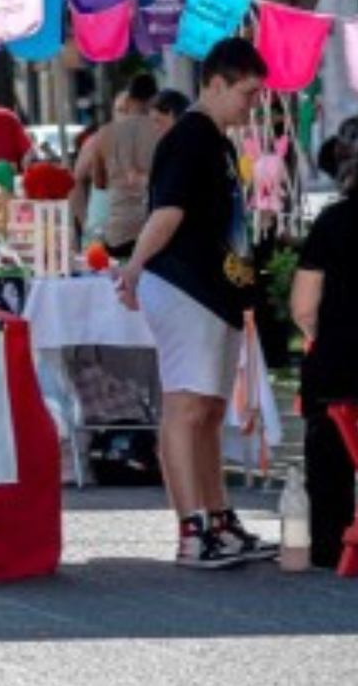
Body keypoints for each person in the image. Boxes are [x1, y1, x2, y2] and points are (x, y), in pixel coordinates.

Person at [113, 38, 277, 569]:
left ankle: (219, 518)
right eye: (247, 93)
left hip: (214, 290)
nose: (252, 105)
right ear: (216, 84)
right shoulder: (189, 138)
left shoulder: (219, 141)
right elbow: (167, 212)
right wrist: (135, 266)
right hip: (184, 286)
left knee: (207, 409)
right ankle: (193, 530)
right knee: (186, 407)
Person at [290, 116, 358, 568]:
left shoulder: (333, 222)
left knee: (327, 447)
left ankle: (330, 543)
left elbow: (303, 306)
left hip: (341, 364)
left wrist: (320, 335)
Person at [94, 74, 163, 260]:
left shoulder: (104, 134)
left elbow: (99, 184)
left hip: (117, 238)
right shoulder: (164, 132)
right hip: (155, 234)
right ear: (154, 99)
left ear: (129, 99)